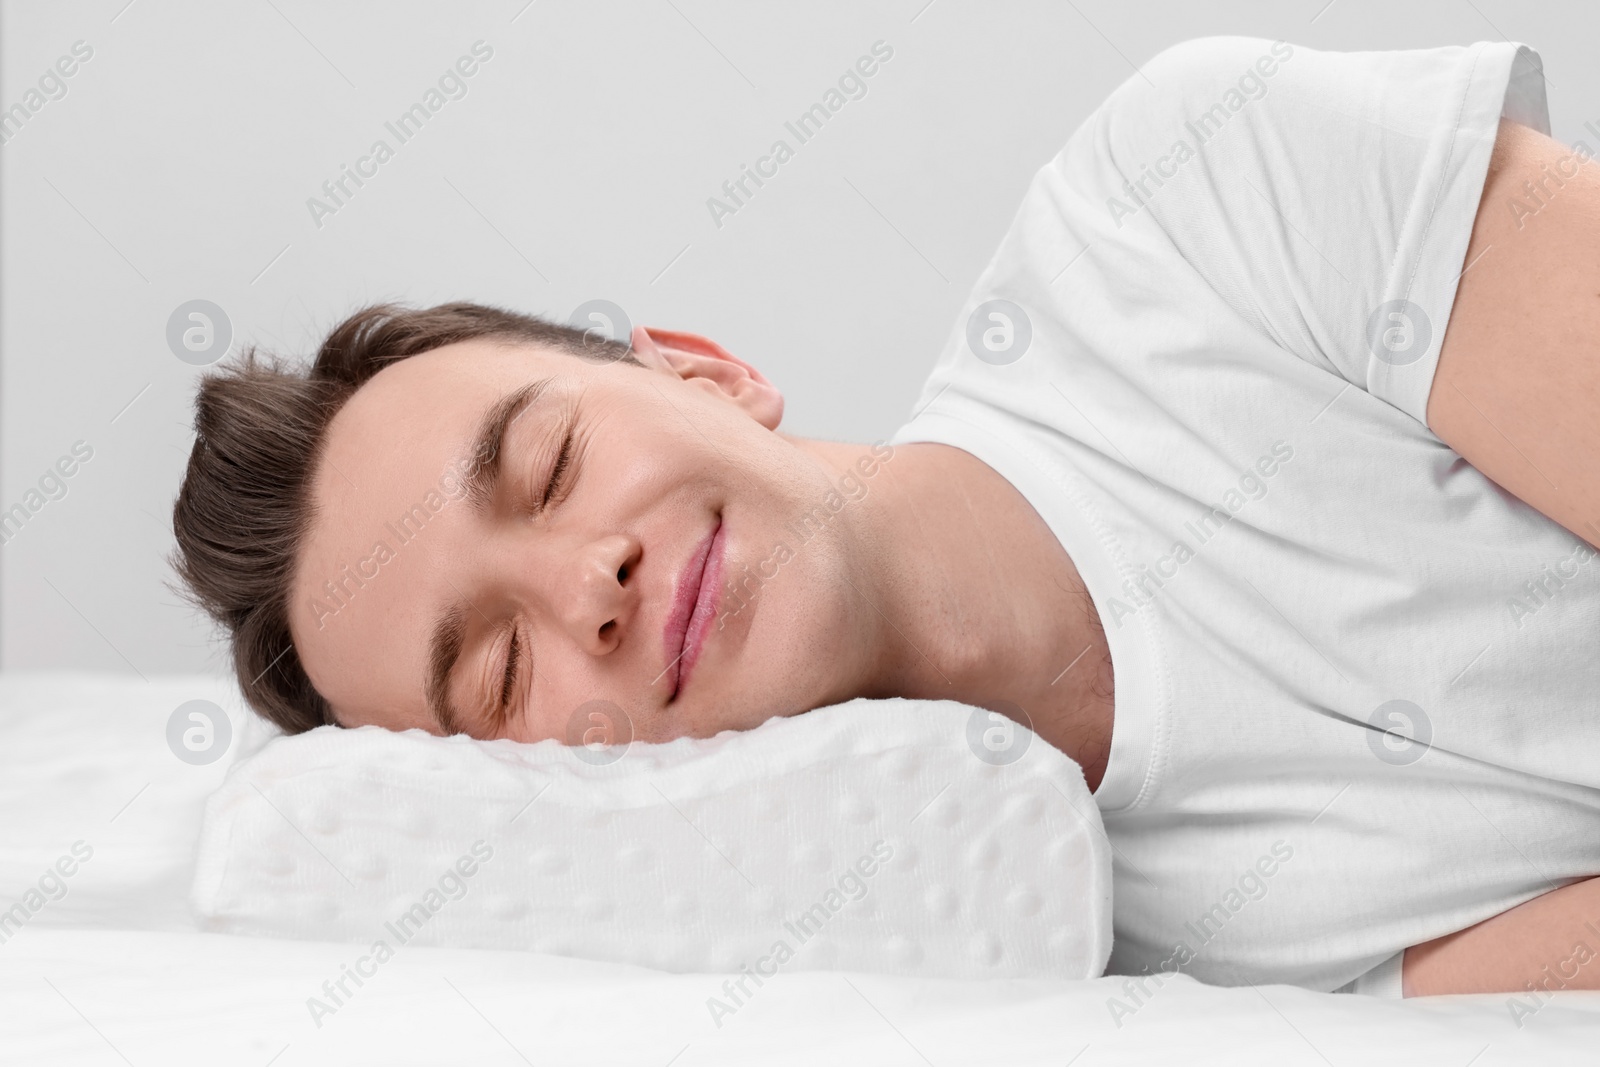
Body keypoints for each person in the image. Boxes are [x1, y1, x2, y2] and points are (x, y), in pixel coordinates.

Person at [172, 36, 1600, 1002]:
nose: (585, 586)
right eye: (496, 673)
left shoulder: (1182, 206)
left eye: (548, 466)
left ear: (707, 372)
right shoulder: (1111, 965)